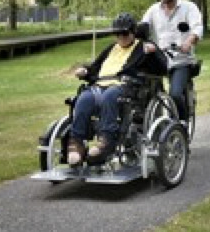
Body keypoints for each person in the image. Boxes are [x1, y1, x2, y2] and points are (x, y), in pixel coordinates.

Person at [68, 12, 168, 166]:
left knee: (110, 95)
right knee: (84, 98)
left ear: (133, 31)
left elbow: (162, 68)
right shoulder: (111, 48)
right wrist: (86, 72)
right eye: (117, 33)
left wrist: (153, 54)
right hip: (100, 85)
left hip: (127, 87)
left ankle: (106, 142)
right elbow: (95, 68)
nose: (121, 36)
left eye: (124, 33)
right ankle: (77, 144)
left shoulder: (144, 47)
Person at [141, 0, 204, 122]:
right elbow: (143, 28)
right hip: (159, 59)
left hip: (180, 59)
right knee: (143, 90)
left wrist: (189, 41)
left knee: (175, 94)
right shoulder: (153, 10)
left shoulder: (189, 7)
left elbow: (197, 28)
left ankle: (181, 123)